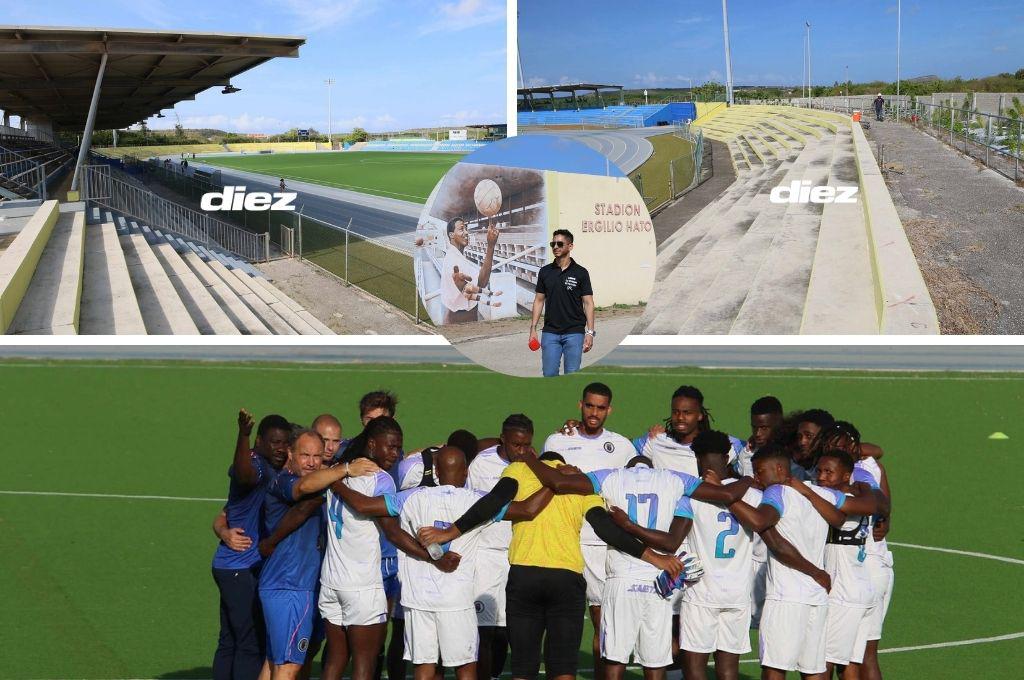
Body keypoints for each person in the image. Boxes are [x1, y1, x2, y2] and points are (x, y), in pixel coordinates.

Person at [420, 416, 693, 680]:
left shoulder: (518, 470)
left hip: (524, 575)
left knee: (524, 668)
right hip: (566, 579)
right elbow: (606, 529)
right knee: (563, 668)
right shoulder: (579, 482)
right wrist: (654, 557)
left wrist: (450, 531)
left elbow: (493, 501)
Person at [329, 446, 553, 680]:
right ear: (466, 473)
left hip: (418, 601)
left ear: (436, 471)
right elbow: (528, 509)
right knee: (465, 667)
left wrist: (335, 483)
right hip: (457, 602)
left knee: (424, 668)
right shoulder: (477, 501)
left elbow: (363, 505)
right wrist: (555, 483)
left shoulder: (411, 497)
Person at [680, 432, 826, 680]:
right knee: (728, 670)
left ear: (696, 458)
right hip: (738, 594)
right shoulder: (754, 496)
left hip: (701, 592)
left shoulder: (692, 495)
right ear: (728, 457)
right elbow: (771, 541)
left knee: (695, 668)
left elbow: (677, 541)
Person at [258, 429, 379, 680]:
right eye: (304, 455)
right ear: (290, 454)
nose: (312, 462)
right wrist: (345, 470)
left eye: (317, 456)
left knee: (273, 663)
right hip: (292, 586)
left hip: (289, 586)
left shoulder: (316, 483)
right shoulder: (286, 481)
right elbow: (304, 490)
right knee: (288, 667)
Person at [726, 444, 846, 680]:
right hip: (816, 598)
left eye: (760, 472)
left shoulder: (776, 492)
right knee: (814, 670)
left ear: (780, 468)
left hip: (786, 597)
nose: (757, 478)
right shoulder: (817, 492)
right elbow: (840, 517)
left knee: (774, 668)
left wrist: (726, 498)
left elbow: (762, 522)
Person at [542, 382, 634, 680]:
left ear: (610, 409)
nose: (594, 413)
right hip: (563, 541)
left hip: (598, 545)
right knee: (556, 621)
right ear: (580, 405)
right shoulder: (557, 440)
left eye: (601, 408)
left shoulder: (621, 446)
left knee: (602, 623)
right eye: (590, 406)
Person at [210, 411, 290, 680]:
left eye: (285, 443)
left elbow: (224, 513)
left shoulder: (274, 468)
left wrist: (221, 528)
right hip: (240, 567)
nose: (280, 448)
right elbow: (244, 475)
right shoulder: (255, 464)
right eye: (274, 442)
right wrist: (242, 435)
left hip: (231, 565)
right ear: (259, 442)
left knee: (230, 639)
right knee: (249, 642)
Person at [806, 449, 883, 679]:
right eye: (819, 471)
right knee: (849, 664)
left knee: (823, 661)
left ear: (846, 475)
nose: (821, 477)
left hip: (843, 593)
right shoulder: (859, 497)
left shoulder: (840, 501)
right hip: (861, 588)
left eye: (829, 472)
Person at [529, 229, 595, 377]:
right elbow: (539, 300)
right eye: (553, 243)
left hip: (574, 332)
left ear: (570, 246)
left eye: (560, 243)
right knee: (549, 374)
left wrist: (590, 332)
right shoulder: (545, 272)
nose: (555, 247)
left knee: (571, 374)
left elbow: (588, 303)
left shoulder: (581, 272)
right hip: (550, 332)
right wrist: (533, 328)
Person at [440, 217, 499, 324]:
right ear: (451, 235)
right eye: (462, 229)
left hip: (459, 319)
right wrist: (491, 246)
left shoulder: (456, 256)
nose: (466, 232)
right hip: (458, 321)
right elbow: (482, 283)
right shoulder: (454, 260)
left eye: (466, 229)